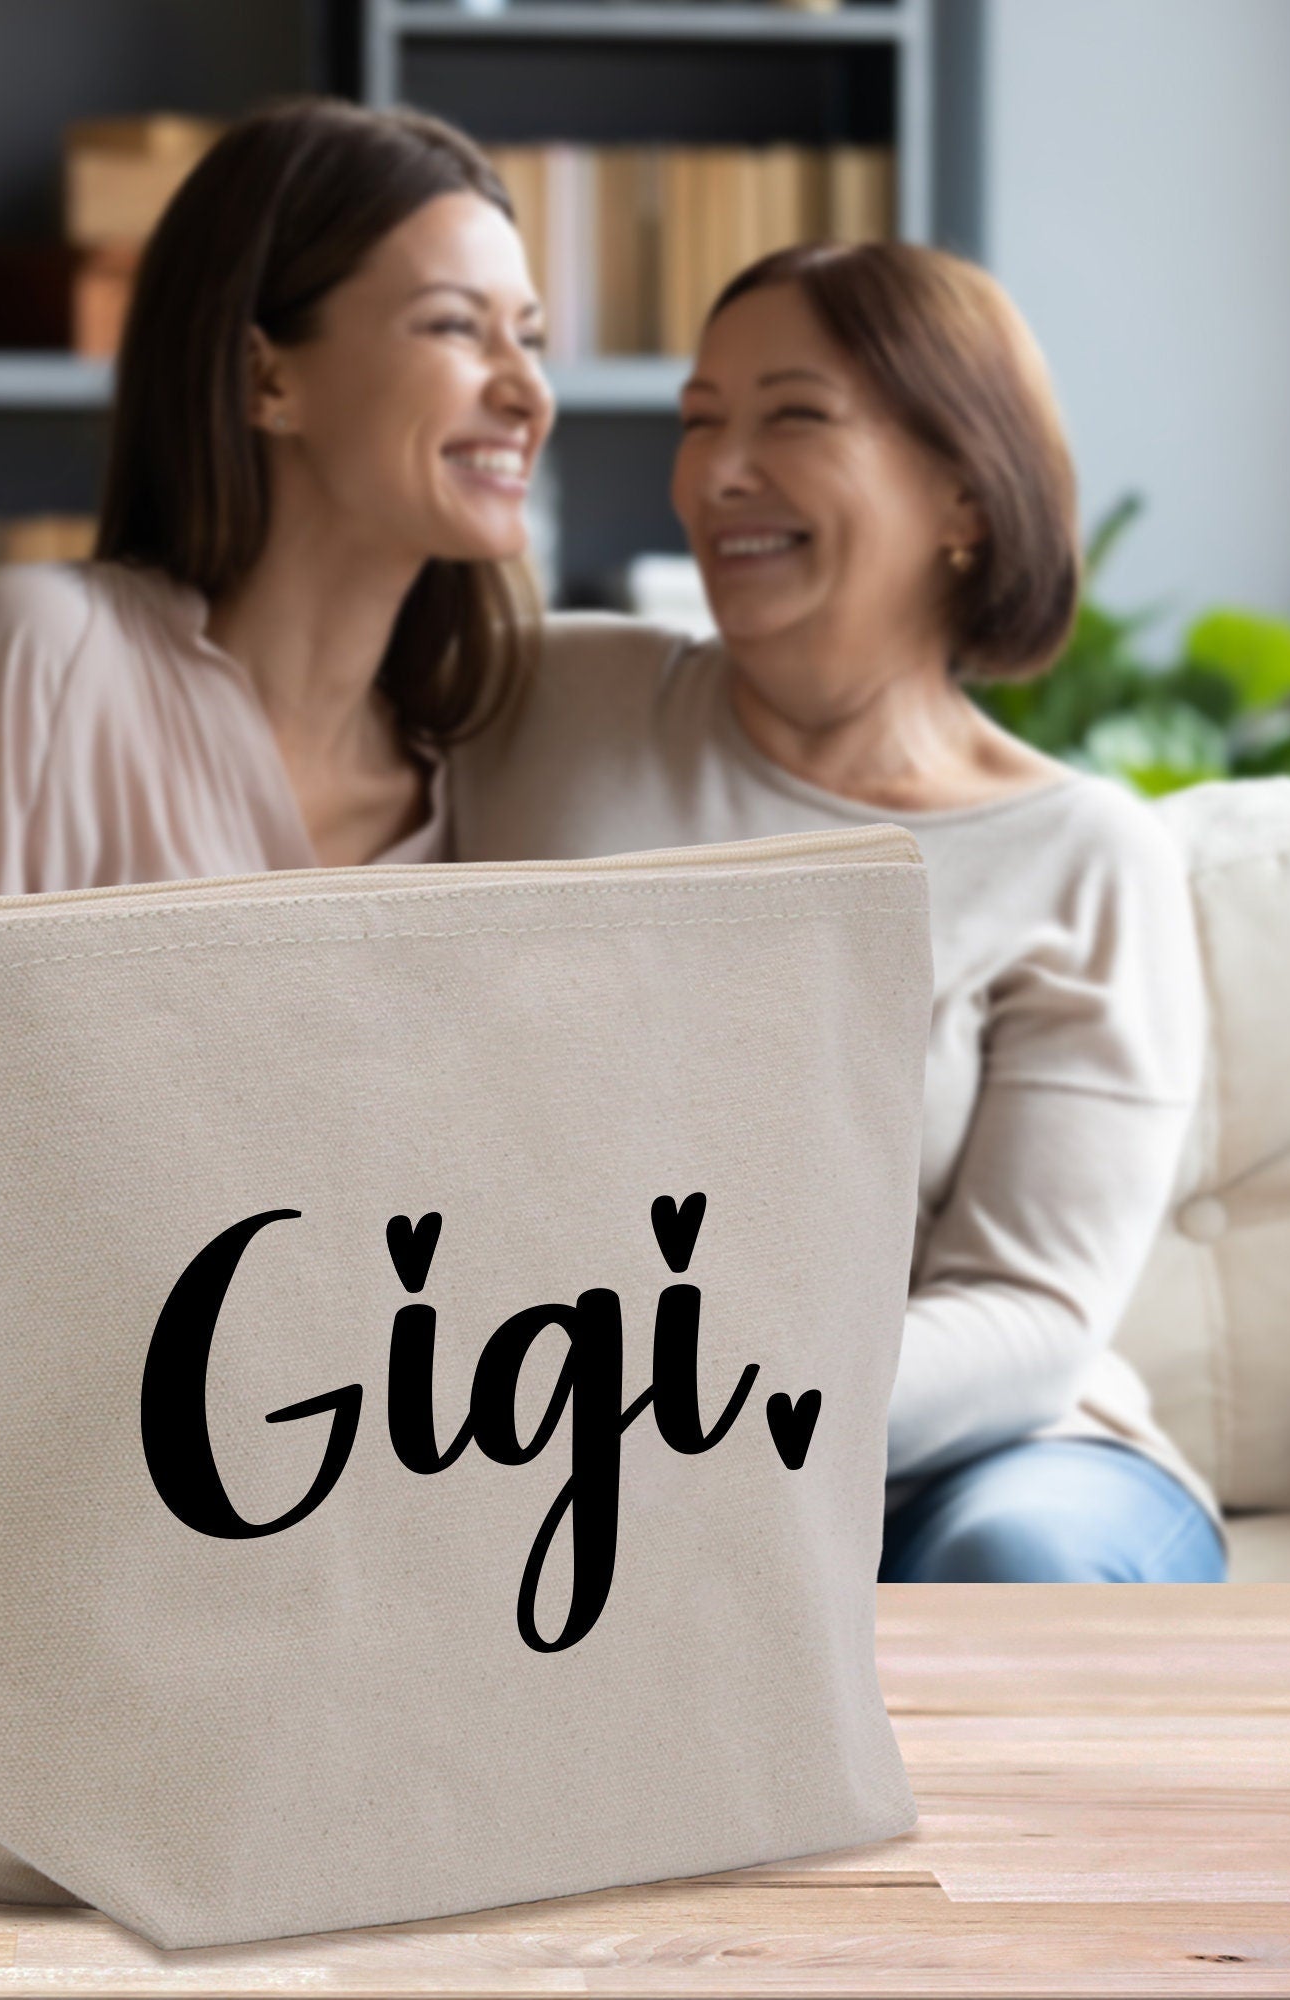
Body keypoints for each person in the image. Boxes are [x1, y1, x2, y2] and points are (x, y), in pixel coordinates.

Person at [0, 96, 554, 1581]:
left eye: (532, 333)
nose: (526, 387)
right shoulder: (46, 654)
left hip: (247, 1423)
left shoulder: (486, 770)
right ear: (267, 375)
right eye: (461, 329)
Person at [449, 240, 1228, 1583]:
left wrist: (677, 1429)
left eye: (792, 416)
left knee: (1019, 1561)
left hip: (981, 1459)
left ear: (964, 493)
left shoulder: (1085, 859)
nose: (717, 473)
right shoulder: (545, 700)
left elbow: (1025, 1316)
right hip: (559, 1436)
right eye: (701, 422)